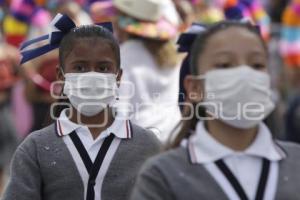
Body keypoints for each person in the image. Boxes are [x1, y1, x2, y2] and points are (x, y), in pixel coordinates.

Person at [130, 21, 300, 200]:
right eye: (225, 65)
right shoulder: (162, 175)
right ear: (194, 87)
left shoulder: (295, 162)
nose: (244, 74)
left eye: (256, 65)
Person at [2, 13, 160, 200]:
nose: (91, 76)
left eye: (103, 68)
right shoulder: (35, 148)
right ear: (60, 75)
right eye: (80, 68)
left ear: (118, 77)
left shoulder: (147, 145)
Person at [113, 0, 182, 142]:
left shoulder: (125, 56)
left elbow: (120, 108)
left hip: (139, 141)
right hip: (173, 136)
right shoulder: (172, 55)